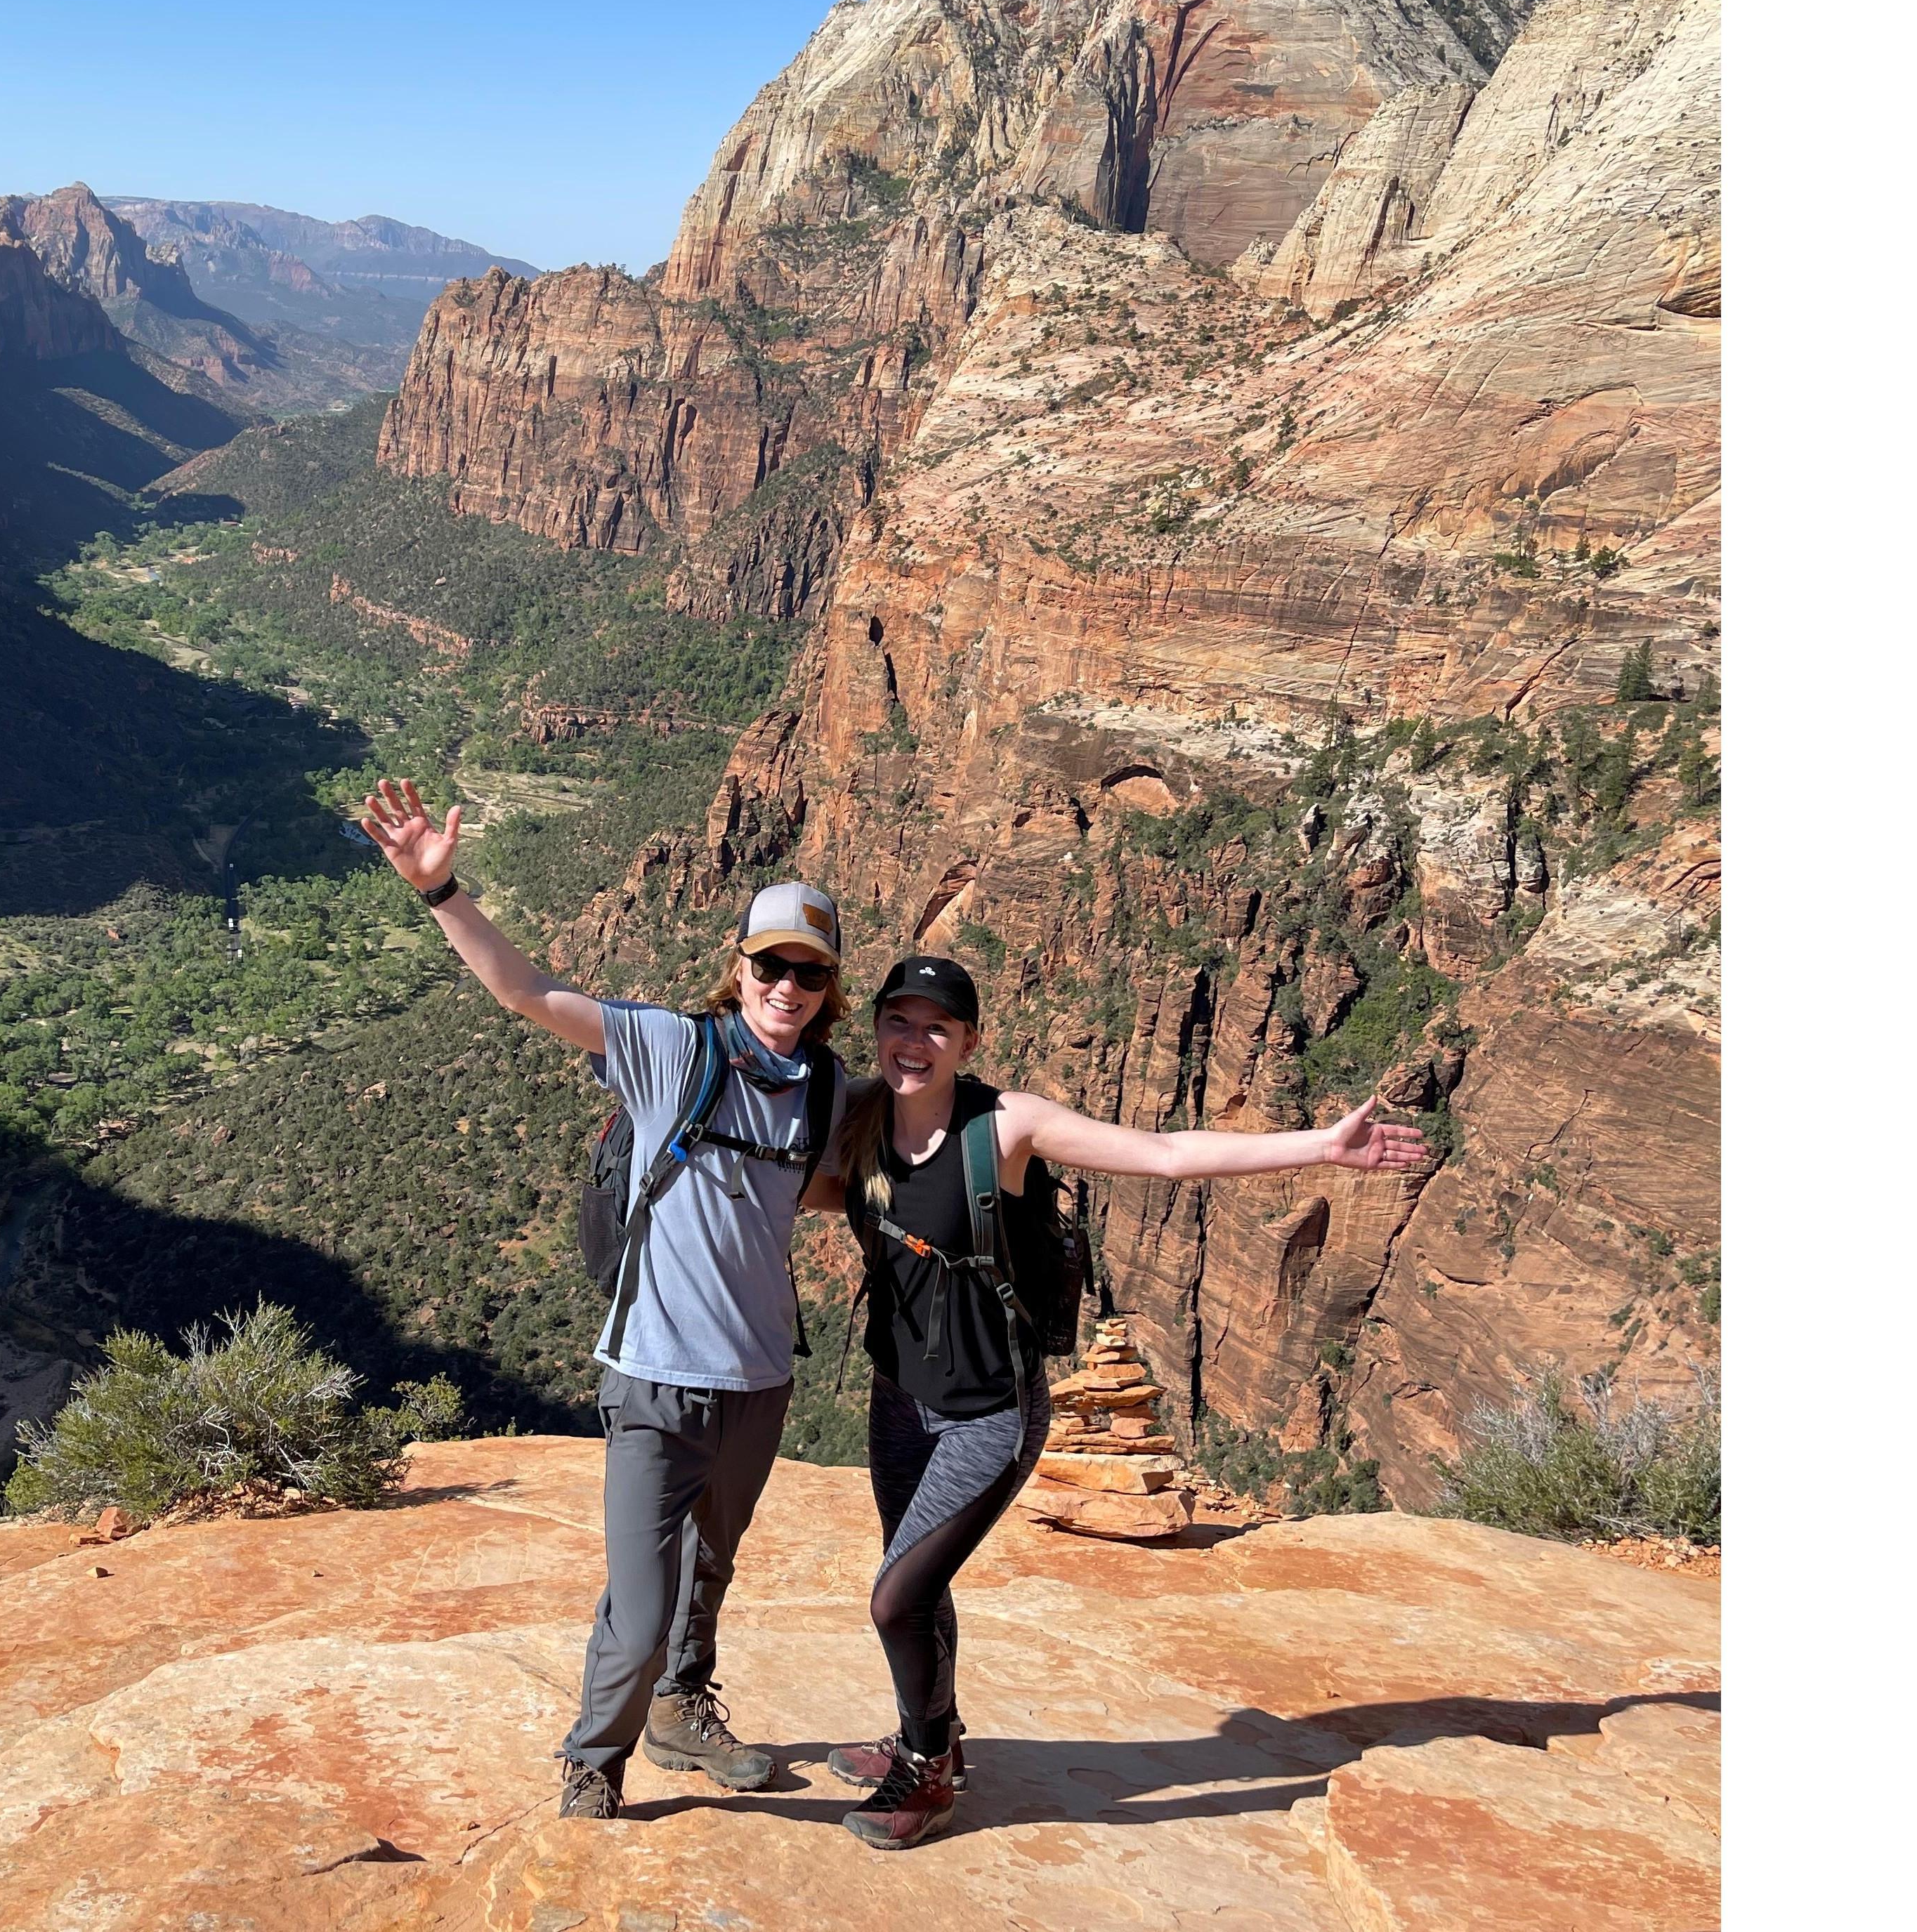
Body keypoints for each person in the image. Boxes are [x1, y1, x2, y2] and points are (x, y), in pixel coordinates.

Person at [805, 952, 1432, 1851]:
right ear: (876, 1028)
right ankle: (924, 1734)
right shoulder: (863, 1113)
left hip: (990, 1414)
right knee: (917, 1577)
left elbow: (1168, 1157)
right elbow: (794, 1166)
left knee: (895, 1600)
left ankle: (930, 1771)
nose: (914, 1042)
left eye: (936, 1026)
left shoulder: (1006, 1124)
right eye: (898, 1022)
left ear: (968, 1039)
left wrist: (1322, 1147)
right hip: (899, 1399)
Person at [358, 777, 853, 1820]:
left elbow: (831, 1184)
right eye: (771, 964)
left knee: (708, 1575)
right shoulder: (671, 1047)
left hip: (760, 1382)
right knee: (640, 1602)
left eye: (808, 971)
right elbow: (529, 994)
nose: (788, 985)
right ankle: (595, 1757)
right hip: (653, 1383)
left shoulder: (825, 1088)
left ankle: (681, 1706)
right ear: (739, 966)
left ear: (828, 984)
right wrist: (441, 891)